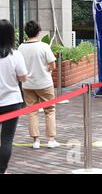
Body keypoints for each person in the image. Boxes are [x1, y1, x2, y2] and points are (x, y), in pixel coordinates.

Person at [18, 21, 59, 149]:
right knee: (49, 110)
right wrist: (48, 70)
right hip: (44, 83)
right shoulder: (44, 46)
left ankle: (36, 141)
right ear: (39, 32)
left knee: (32, 111)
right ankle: (51, 139)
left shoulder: (21, 47)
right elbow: (53, 65)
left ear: (26, 32)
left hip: (28, 85)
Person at [0, 19, 28, 174]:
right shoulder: (15, 55)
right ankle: (2, 170)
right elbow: (23, 77)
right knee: (7, 138)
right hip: (12, 101)